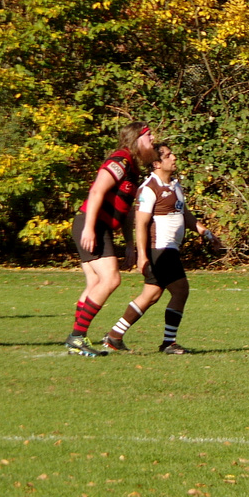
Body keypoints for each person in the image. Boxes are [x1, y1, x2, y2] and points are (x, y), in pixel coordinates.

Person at [103, 144, 207, 354]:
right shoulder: (149, 188)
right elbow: (140, 223)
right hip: (160, 249)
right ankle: (169, 343)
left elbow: (184, 214)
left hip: (170, 249)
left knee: (150, 295)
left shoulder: (174, 185)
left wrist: (204, 231)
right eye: (168, 156)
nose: (174, 158)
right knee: (181, 290)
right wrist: (141, 255)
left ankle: (114, 336)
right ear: (157, 163)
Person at [67, 122, 157, 357]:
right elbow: (97, 190)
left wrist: (129, 244)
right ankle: (77, 337)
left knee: (95, 283)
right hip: (92, 224)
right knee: (111, 279)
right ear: (138, 138)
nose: (153, 141)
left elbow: (126, 212)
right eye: (149, 137)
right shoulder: (121, 160)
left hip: (99, 226)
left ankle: (77, 338)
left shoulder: (134, 168)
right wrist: (88, 228)